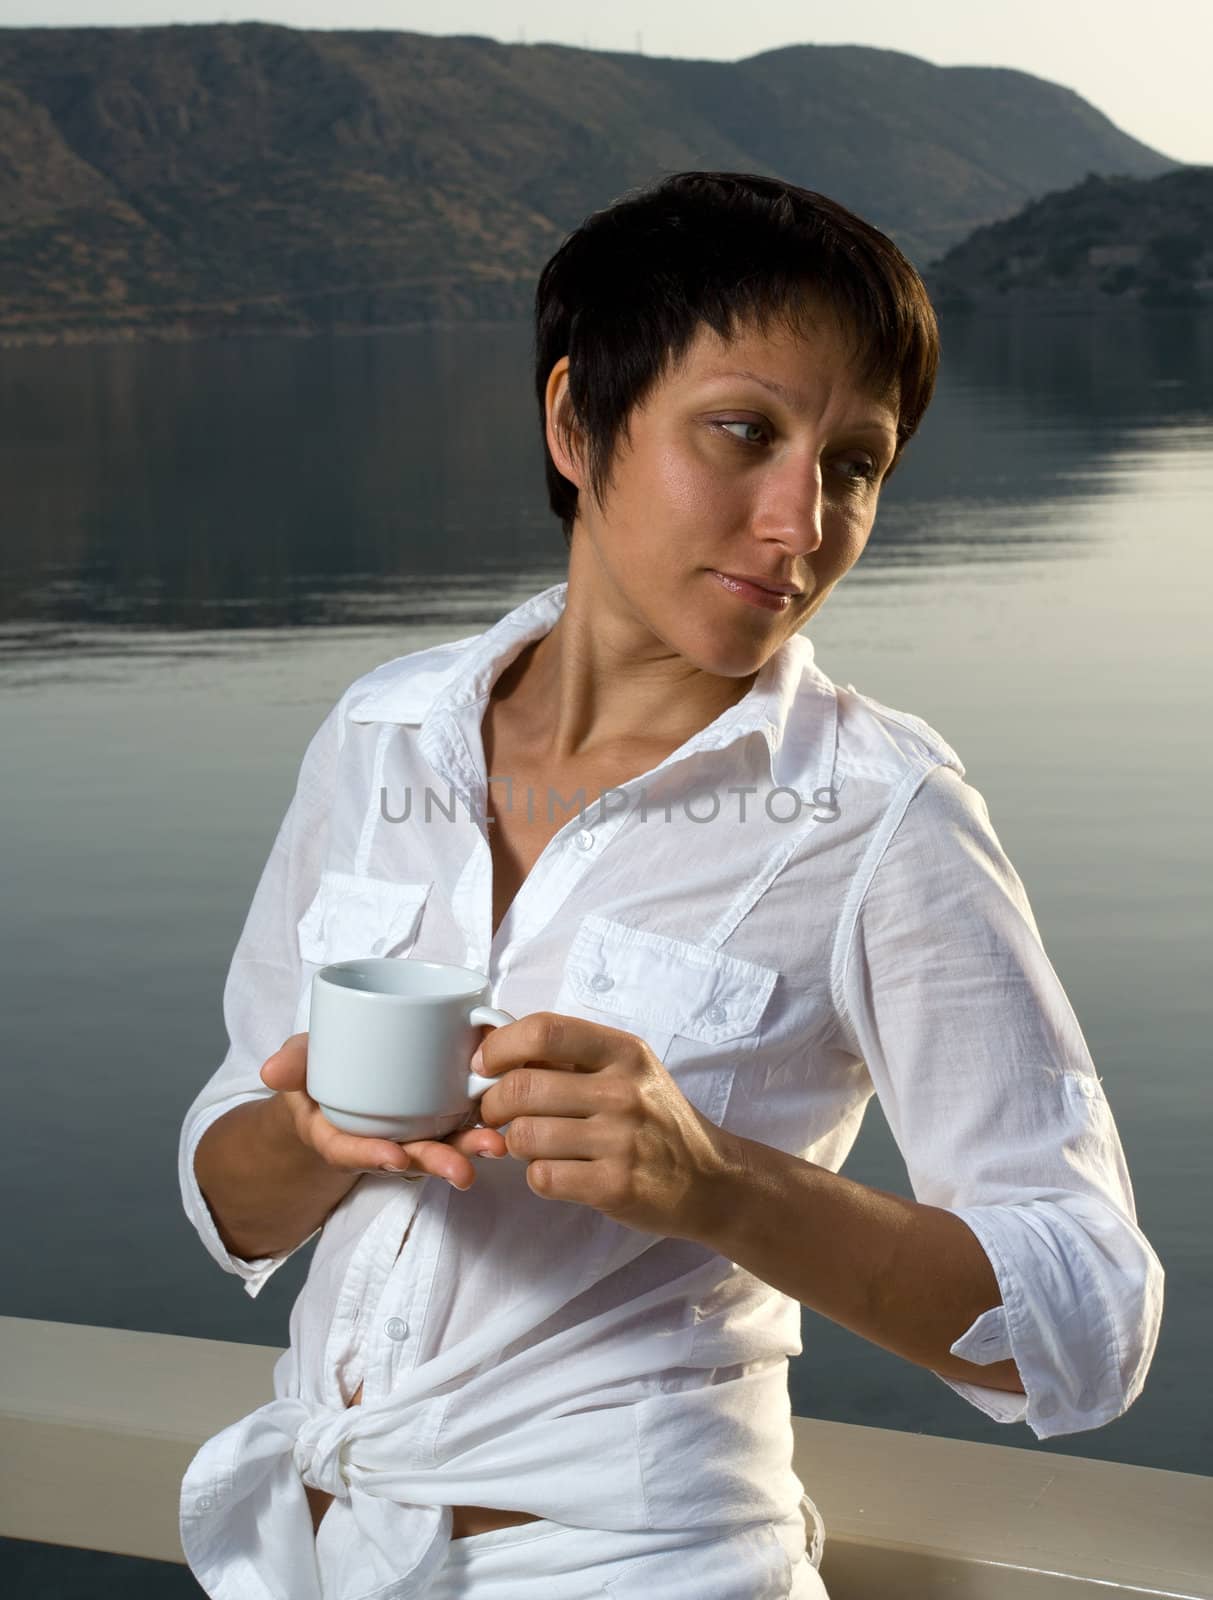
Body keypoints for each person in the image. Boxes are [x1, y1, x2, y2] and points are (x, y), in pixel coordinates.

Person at [177, 170, 1163, 1600]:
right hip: (310, 1556)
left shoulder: (884, 813)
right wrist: (312, 1127)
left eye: (854, 464)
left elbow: (1089, 1328)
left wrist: (715, 1187)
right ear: (576, 421)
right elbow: (230, 1196)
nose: (801, 522)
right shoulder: (381, 733)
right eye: (744, 433)